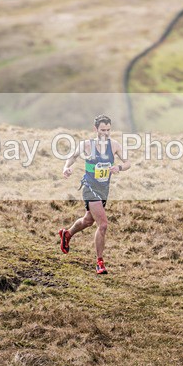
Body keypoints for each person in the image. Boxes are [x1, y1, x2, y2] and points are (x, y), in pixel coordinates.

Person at [59, 114, 130, 274]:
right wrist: (66, 168)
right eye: (102, 130)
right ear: (95, 129)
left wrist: (118, 168)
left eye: (108, 130)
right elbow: (72, 156)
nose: (106, 133)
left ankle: (67, 234)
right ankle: (100, 262)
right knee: (102, 224)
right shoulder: (87, 145)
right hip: (89, 187)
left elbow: (128, 163)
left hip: (104, 189)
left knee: (88, 220)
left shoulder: (114, 145)